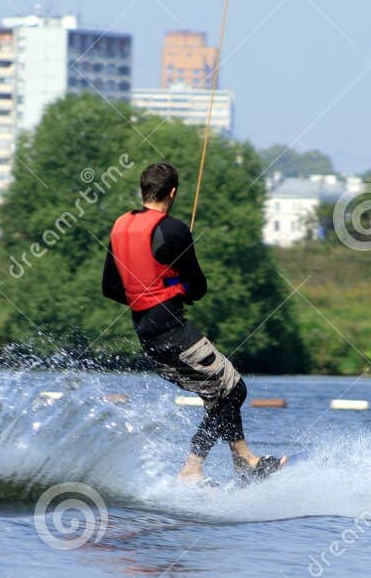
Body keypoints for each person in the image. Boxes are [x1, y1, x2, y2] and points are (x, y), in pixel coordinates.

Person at [103, 162, 287, 485]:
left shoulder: (119, 226)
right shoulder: (174, 230)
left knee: (220, 393)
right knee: (235, 389)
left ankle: (245, 460)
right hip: (173, 332)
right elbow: (199, 288)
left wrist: (150, 293)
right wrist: (176, 289)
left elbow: (111, 287)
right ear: (172, 193)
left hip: (146, 336)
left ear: (143, 191)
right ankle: (193, 466)